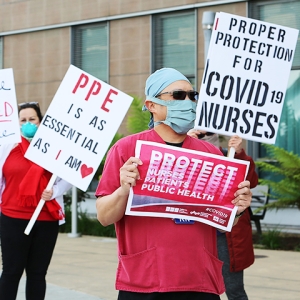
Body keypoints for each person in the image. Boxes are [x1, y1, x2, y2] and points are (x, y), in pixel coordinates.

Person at [95, 67, 253, 300]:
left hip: (199, 280)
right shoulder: (126, 150)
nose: (188, 102)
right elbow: (104, 217)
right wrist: (123, 190)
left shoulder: (211, 153)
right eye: (178, 95)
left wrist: (237, 211)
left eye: (192, 96)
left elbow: (221, 224)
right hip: (145, 281)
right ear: (152, 105)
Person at [0, 102, 72, 300]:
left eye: (32, 119)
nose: (27, 124)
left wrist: (54, 190)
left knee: (37, 274)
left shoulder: (54, 149)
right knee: (11, 272)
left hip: (46, 219)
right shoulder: (7, 147)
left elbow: (68, 176)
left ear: (41, 122)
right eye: (23, 120)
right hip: (12, 218)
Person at [188, 130, 258, 300]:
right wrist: (186, 147)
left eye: (209, 132)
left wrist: (239, 153)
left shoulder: (231, 156)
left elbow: (251, 181)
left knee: (234, 290)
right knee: (198, 291)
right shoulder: (185, 156)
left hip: (225, 235)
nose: (205, 136)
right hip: (194, 234)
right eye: (201, 133)